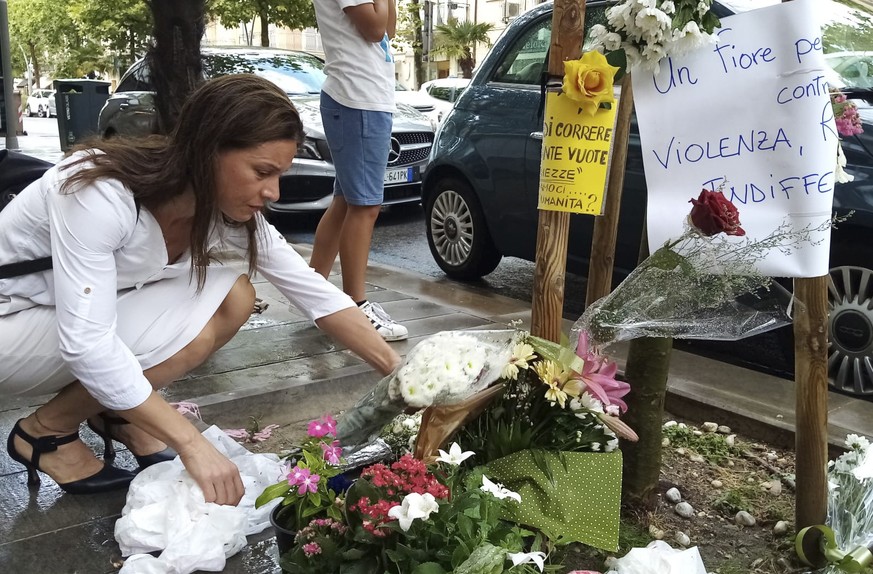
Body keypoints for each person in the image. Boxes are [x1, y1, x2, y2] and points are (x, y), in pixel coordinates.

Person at [0, 74, 401, 505]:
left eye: (279, 174)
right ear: (207, 150)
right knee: (188, 328)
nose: (272, 192)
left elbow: (316, 294)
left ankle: (119, 410)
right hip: (10, 324)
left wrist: (405, 379)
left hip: (56, 315)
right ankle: (45, 433)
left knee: (234, 295)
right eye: (262, 172)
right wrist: (193, 444)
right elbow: (88, 344)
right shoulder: (99, 193)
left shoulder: (226, 214)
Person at [308, 0, 409, 342]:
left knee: (345, 203)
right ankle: (356, 305)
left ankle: (315, 295)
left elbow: (388, 29)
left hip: (362, 99)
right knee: (364, 206)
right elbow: (374, 29)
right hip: (357, 99)